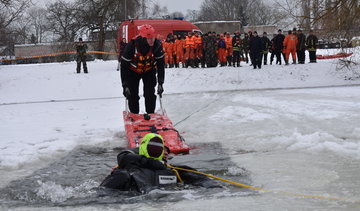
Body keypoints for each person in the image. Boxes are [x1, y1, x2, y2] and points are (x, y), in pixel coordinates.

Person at [100, 133, 220, 193]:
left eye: (167, 151)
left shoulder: (173, 171)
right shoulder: (130, 163)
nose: (166, 153)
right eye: (163, 150)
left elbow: (200, 179)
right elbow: (125, 156)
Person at [120, 24, 165, 114]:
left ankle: (150, 114)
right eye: (149, 38)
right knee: (132, 95)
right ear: (143, 38)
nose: (152, 40)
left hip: (149, 71)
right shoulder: (131, 46)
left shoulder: (157, 45)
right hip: (132, 72)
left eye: (152, 37)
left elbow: (161, 65)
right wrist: (125, 85)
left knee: (150, 94)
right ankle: (134, 114)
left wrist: (160, 82)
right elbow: (124, 67)